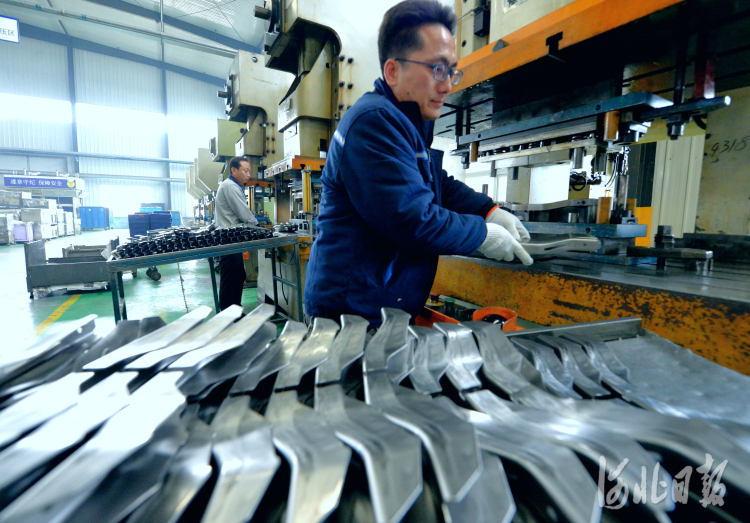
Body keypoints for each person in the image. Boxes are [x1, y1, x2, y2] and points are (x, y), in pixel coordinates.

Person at [304, 0, 533, 326]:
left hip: (377, 307)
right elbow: (411, 219)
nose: (448, 85)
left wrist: (488, 210)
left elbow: (438, 184)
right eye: (437, 68)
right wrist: (483, 234)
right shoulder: (373, 123)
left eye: (452, 71)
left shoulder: (404, 124)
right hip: (352, 315)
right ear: (393, 71)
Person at [214, 156, 258, 310]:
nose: (248, 174)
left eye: (249, 171)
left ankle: (234, 312)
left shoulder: (232, 186)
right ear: (234, 170)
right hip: (229, 239)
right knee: (231, 277)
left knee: (238, 276)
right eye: (245, 171)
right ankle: (228, 315)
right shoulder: (230, 187)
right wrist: (258, 227)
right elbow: (244, 213)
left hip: (232, 238)